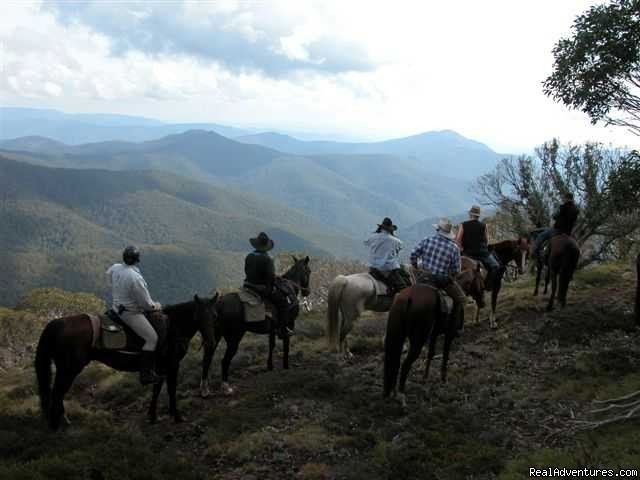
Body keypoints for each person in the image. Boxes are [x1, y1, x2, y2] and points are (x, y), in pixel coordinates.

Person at [106, 246, 164, 385]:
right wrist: (156, 305)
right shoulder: (135, 278)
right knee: (152, 338)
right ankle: (146, 374)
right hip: (130, 314)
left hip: (115, 309)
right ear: (137, 260)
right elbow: (146, 304)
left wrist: (115, 292)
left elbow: (108, 277)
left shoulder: (115, 268)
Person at [410, 218, 465, 334]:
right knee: (460, 299)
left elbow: (413, 254)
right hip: (441, 279)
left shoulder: (427, 240)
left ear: (438, 229)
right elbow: (456, 270)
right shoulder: (454, 248)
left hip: (424, 277)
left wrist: (417, 267)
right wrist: (451, 276)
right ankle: (454, 328)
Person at [243, 232, 293, 338]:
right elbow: (270, 278)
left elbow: (247, 271)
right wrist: (275, 279)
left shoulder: (249, 256)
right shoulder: (267, 259)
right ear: (266, 246)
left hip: (247, 286)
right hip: (261, 289)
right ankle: (282, 329)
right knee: (283, 303)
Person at [364, 217, 411, 294]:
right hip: (388, 269)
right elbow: (398, 251)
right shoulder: (396, 241)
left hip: (372, 267)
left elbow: (366, 242)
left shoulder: (372, 237)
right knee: (403, 288)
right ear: (391, 229)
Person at [455, 205, 501, 284]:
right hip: (482, 253)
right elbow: (487, 241)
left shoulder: (463, 225)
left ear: (470, 214)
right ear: (478, 216)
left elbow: (457, 240)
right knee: (495, 266)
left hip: (467, 253)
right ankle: (488, 284)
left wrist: (461, 249)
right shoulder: (484, 225)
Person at [531, 192, 580, 259]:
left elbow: (554, 216)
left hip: (557, 230)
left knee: (541, 235)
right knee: (545, 229)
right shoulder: (576, 210)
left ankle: (534, 252)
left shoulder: (563, 207)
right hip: (568, 233)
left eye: (564, 198)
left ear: (566, 198)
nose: (563, 199)